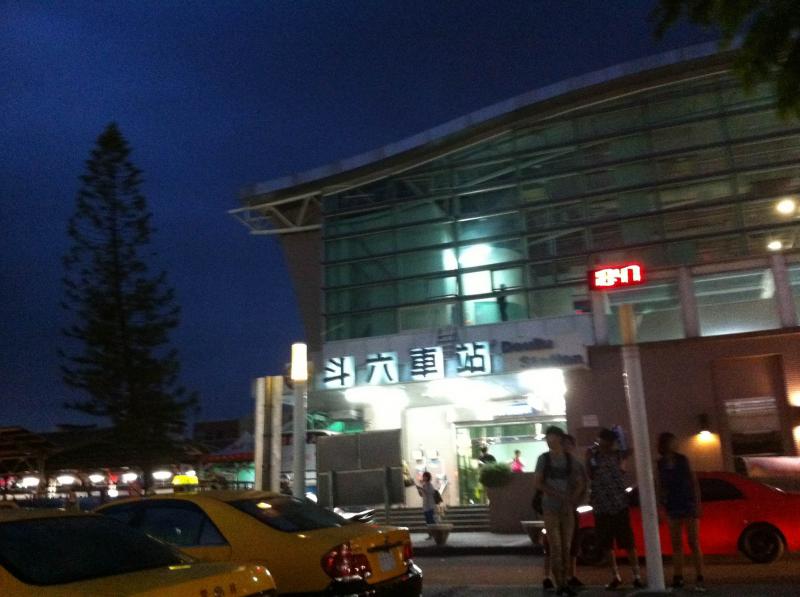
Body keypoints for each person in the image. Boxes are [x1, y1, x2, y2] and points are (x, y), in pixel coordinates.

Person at [586, 428, 643, 590]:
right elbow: (590, 474)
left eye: (605, 440)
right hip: (601, 505)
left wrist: (620, 433)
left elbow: (630, 449)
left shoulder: (618, 455)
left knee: (628, 542)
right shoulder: (594, 456)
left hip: (619, 504)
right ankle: (615, 576)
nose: (601, 443)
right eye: (600, 440)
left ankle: (636, 576)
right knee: (606, 544)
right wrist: (589, 458)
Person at [533, 426, 586, 597]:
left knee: (566, 547)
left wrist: (571, 499)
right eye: (547, 437)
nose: (549, 440)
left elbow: (580, 483)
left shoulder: (571, 460)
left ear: (559, 438)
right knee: (555, 547)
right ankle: (560, 584)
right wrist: (560, 495)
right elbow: (537, 483)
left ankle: (565, 582)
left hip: (566, 510)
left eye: (552, 437)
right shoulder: (544, 459)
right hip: (550, 509)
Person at [657, 432, 706, 592]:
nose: (675, 444)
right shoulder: (661, 463)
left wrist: (697, 503)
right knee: (676, 543)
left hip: (687, 503)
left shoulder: (682, 460)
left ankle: (700, 576)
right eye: (672, 441)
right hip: (672, 505)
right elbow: (659, 485)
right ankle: (678, 576)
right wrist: (661, 506)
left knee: (693, 541)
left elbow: (693, 481)